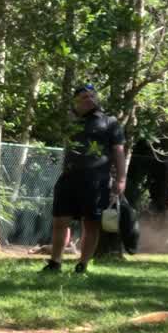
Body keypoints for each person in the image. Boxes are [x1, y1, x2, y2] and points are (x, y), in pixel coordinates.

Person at [43, 84, 126, 274]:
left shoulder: (110, 122)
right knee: (59, 221)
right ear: (76, 102)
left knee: (91, 223)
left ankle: (82, 265)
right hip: (69, 178)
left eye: (91, 96)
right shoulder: (71, 123)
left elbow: (119, 152)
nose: (89, 99)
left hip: (97, 180)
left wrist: (121, 180)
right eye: (84, 97)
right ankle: (55, 263)